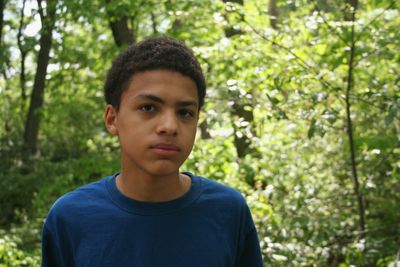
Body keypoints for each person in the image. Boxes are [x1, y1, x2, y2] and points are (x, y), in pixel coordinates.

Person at [41, 36, 263, 267]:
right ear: (112, 119)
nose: (169, 126)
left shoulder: (228, 212)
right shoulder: (70, 218)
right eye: (148, 108)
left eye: (185, 112)